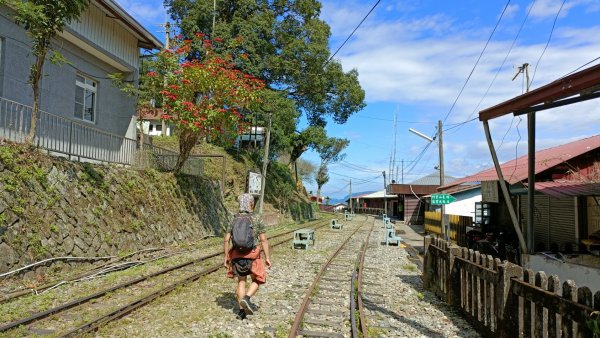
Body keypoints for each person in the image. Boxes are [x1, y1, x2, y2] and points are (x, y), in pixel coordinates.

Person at [223, 193, 272, 320]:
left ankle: (241, 312)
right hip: (253, 255)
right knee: (258, 279)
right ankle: (247, 298)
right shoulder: (256, 218)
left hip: (236, 255)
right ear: (250, 204)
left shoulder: (233, 218)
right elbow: (263, 239)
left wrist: (226, 258)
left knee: (241, 282)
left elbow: (226, 240)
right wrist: (267, 257)